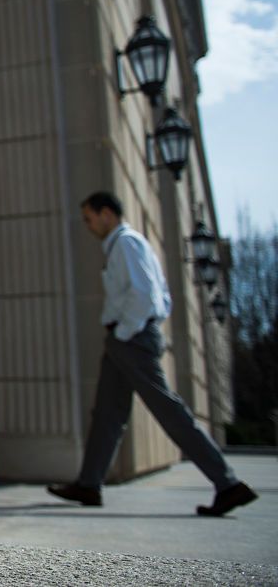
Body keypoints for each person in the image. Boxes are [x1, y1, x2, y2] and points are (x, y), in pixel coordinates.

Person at [47, 191, 257, 516]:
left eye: (89, 218)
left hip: (130, 339)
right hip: (126, 339)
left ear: (107, 214)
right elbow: (164, 297)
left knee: (168, 410)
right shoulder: (129, 245)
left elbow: (144, 296)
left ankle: (227, 484)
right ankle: (89, 484)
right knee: (107, 414)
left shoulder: (127, 244)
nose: (88, 226)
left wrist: (123, 332)